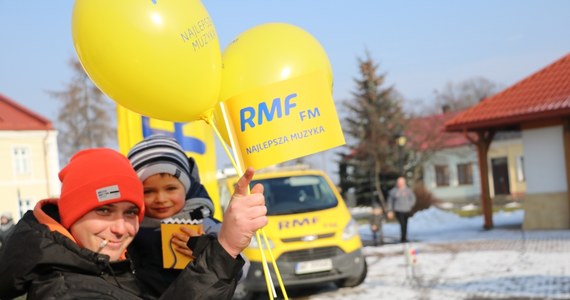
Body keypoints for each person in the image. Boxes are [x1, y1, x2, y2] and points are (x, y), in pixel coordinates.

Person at [0, 148, 267, 299]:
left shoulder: (109, 268)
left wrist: (216, 249)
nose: (120, 228)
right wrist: (223, 250)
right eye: (104, 210)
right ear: (71, 215)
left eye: (130, 213)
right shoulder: (66, 291)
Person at [126, 135, 223, 296]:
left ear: (186, 188)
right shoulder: (128, 230)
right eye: (148, 191)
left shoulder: (204, 224)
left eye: (170, 189)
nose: (161, 199)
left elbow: (238, 265)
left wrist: (206, 250)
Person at [387, 176, 416, 243]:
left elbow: (413, 198)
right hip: (398, 210)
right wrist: (390, 210)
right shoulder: (393, 191)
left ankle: (404, 237)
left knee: (405, 224)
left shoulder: (408, 190)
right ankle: (403, 238)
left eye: (401, 182)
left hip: (406, 210)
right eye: (399, 182)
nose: (400, 184)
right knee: (402, 223)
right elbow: (390, 201)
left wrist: (410, 205)